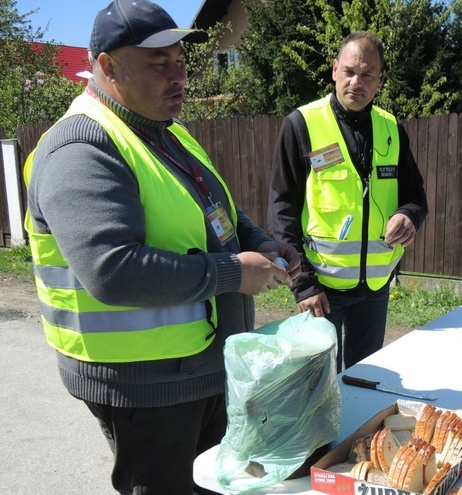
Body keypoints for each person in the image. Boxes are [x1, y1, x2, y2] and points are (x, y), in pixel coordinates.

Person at [23, 1, 300, 493]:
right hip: (142, 388)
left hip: (201, 368)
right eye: (159, 65)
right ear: (108, 66)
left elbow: (220, 213)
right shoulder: (82, 148)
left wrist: (260, 240)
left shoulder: (165, 132)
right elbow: (112, 270)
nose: (179, 77)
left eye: (180, 62)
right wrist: (234, 273)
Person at [267, 31, 428, 372]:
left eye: (368, 74)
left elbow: (415, 194)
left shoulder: (391, 128)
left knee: (364, 379)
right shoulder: (301, 124)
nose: (357, 82)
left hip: (375, 289)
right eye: (350, 71)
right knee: (319, 385)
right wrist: (302, 283)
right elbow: (283, 208)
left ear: (381, 80)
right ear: (334, 70)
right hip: (320, 288)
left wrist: (409, 215)